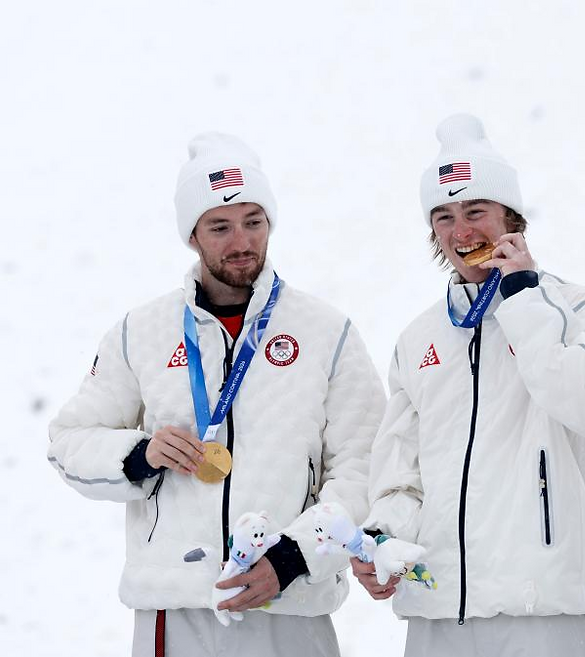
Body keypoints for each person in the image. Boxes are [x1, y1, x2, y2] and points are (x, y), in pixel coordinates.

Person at [47, 132, 385, 657]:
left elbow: (365, 464)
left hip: (289, 606)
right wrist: (139, 455)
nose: (241, 242)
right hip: (175, 608)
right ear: (192, 235)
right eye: (220, 227)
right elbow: (69, 442)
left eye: (254, 222)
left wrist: (294, 557)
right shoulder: (142, 331)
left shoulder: (326, 332)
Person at [351, 114, 585, 656]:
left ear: (511, 217)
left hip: (543, 606)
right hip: (439, 610)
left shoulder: (573, 306)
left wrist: (524, 297)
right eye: (444, 216)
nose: (461, 232)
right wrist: (383, 539)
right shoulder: (419, 338)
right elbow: (401, 473)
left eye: (476, 211)